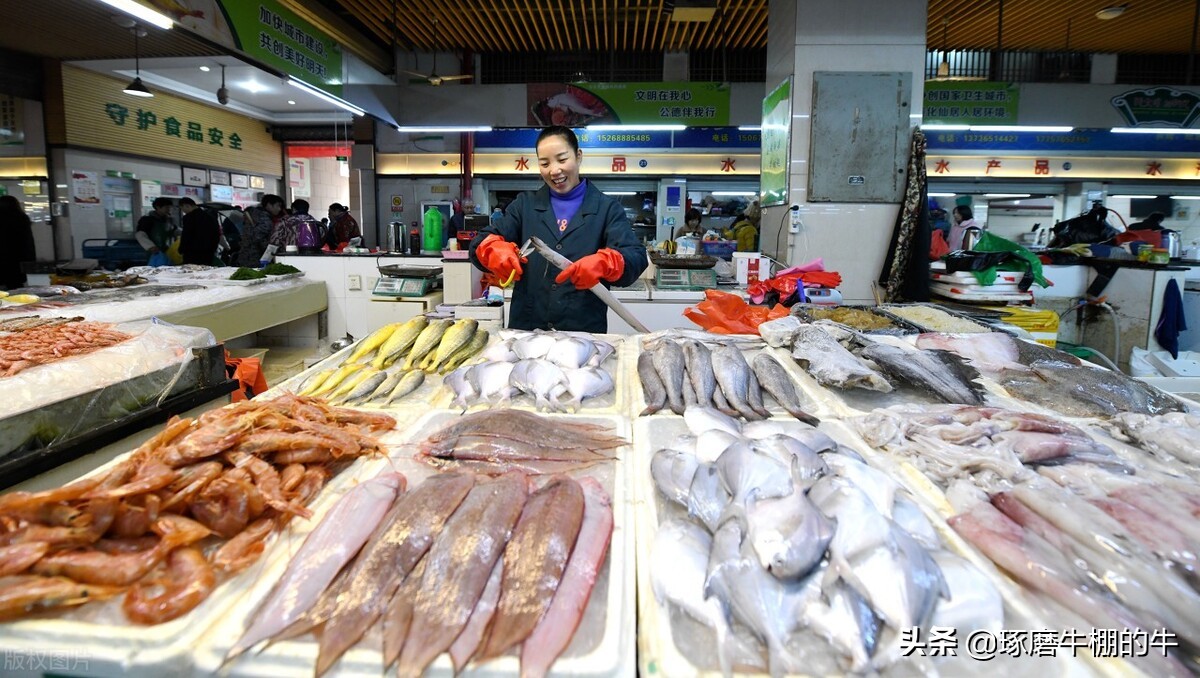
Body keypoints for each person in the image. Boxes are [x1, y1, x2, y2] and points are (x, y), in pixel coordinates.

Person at [469, 125, 648, 333]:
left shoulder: (607, 209)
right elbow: (479, 243)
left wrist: (608, 263)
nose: (554, 170)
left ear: (578, 156)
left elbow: (636, 256)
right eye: (545, 163)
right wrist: (492, 249)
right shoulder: (524, 205)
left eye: (562, 160)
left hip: (583, 335)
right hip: (527, 332)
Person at [237, 194, 285, 268]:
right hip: (256, 258)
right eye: (278, 206)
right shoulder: (264, 219)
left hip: (246, 255)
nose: (279, 209)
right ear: (269, 205)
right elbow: (259, 238)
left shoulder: (254, 215)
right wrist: (271, 253)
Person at [0, 195, 35, 290]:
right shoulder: (21, 218)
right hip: (17, 259)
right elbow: (28, 241)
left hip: (2, 258)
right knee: (16, 286)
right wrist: (30, 260)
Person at [178, 198, 223, 266]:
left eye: (182, 208)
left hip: (191, 254)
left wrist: (181, 249)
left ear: (186, 205)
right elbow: (217, 234)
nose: (183, 211)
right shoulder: (210, 217)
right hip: (208, 253)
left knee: (190, 273)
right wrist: (212, 249)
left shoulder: (189, 218)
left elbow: (186, 235)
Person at [136, 196, 175, 265]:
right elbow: (140, 234)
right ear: (158, 207)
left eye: (169, 207)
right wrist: (151, 247)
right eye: (166, 207)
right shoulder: (147, 219)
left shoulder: (168, 219)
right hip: (154, 251)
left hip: (168, 250)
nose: (169, 210)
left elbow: (174, 230)